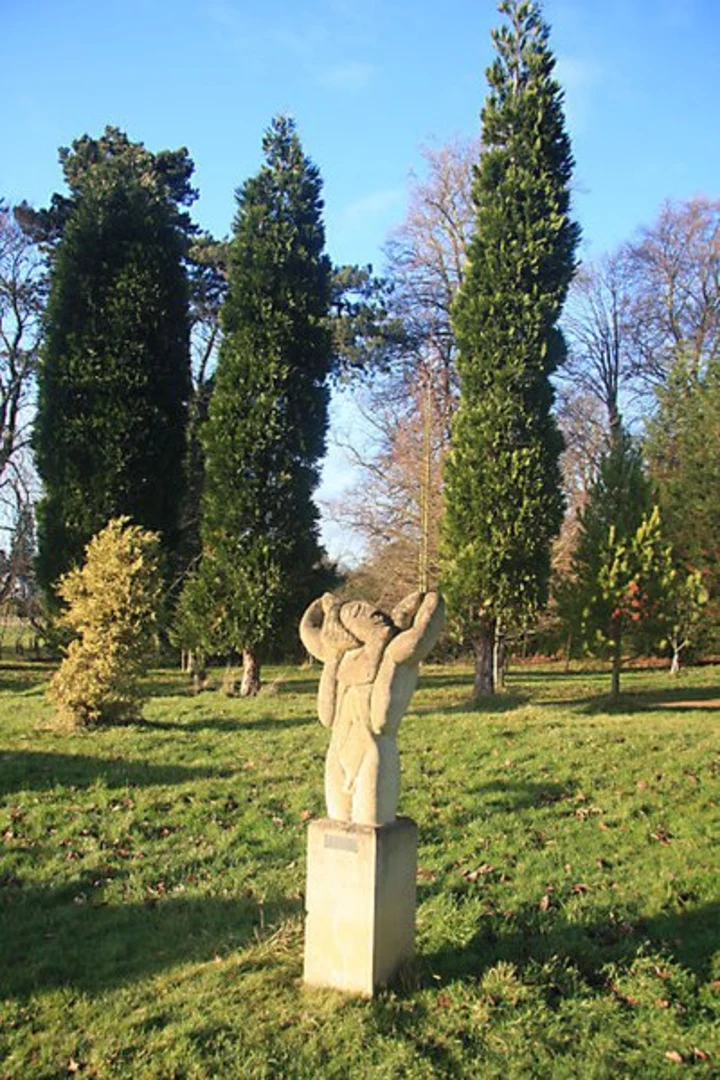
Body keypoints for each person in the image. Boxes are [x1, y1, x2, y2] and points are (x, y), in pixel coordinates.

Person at [299, 591, 444, 826]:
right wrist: (326, 609)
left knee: (371, 824)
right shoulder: (339, 657)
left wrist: (425, 603)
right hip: (337, 751)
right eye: (354, 612)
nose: (363, 612)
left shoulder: (394, 654)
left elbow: (420, 636)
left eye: (368, 612)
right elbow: (326, 715)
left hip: (372, 751)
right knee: (337, 822)